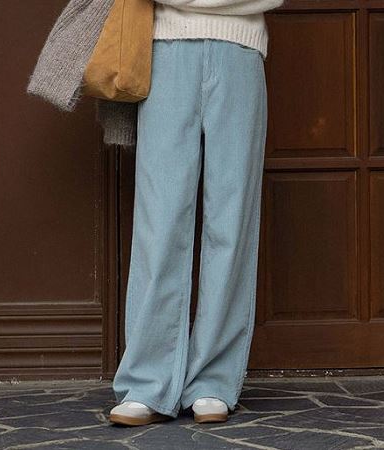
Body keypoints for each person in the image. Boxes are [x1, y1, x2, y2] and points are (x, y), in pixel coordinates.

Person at [109, 0, 284, 426]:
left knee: (232, 218)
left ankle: (214, 380)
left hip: (240, 55)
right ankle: (147, 382)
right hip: (165, 52)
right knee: (160, 220)